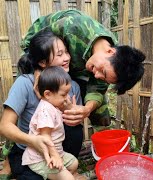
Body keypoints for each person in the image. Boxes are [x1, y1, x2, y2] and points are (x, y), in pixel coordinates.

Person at [21, 9, 145, 127]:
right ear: (109, 51)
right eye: (102, 71)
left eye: (105, 79)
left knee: (100, 112)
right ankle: (13, 146)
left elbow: (97, 88)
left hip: (72, 66)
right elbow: (37, 44)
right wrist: (39, 71)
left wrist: (86, 109)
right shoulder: (73, 28)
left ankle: (99, 144)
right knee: (37, 93)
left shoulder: (114, 63)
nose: (97, 76)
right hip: (37, 50)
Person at [0, 28, 84, 179]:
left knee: (76, 130)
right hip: (30, 151)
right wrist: (33, 140)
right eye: (59, 54)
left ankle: (65, 170)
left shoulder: (72, 87)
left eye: (66, 52)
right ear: (42, 62)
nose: (67, 58)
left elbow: (71, 126)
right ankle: (11, 162)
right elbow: (4, 126)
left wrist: (71, 112)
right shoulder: (24, 83)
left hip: (58, 149)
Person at [22, 66, 81, 180]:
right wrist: (54, 156)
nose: (66, 97)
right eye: (63, 95)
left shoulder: (53, 105)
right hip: (41, 158)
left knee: (74, 163)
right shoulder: (45, 111)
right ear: (48, 94)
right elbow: (45, 137)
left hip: (56, 152)